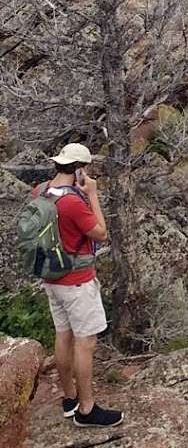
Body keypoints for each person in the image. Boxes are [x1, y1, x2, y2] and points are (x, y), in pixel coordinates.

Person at [33, 143, 123, 428]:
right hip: (77, 283)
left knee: (63, 335)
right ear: (80, 169)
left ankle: (69, 398)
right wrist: (92, 194)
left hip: (52, 277)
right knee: (86, 343)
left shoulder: (40, 191)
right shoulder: (72, 202)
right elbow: (102, 233)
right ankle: (87, 410)